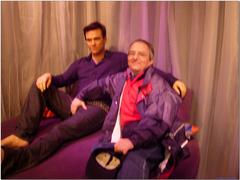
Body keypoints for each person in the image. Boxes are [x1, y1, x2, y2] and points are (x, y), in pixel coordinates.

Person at [1, 22, 186, 177]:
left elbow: (148, 69)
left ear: (104, 39)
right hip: (74, 105)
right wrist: (48, 76)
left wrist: (174, 80)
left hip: (96, 109)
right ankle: (23, 135)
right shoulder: (80, 64)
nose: (93, 43)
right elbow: (62, 80)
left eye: (97, 39)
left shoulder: (120, 59)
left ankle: (11, 160)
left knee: (59, 131)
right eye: (89, 40)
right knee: (39, 84)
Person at [77, 39, 182, 178]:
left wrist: (132, 141)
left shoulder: (158, 86)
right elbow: (100, 85)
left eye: (141, 54)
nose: (135, 57)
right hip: (120, 137)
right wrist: (80, 96)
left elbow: (156, 121)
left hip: (149, 141)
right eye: (131, 53)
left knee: (132, 165)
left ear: (151, 62)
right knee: (95, 164)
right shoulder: (122, 78)